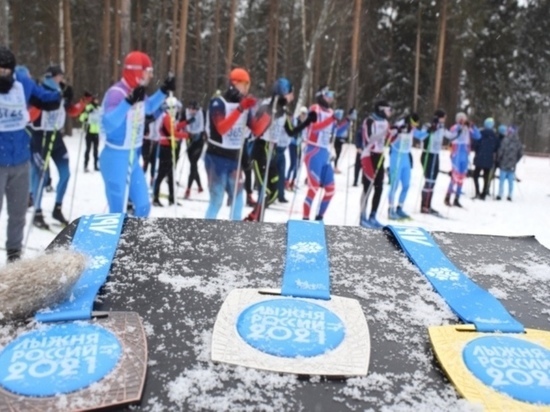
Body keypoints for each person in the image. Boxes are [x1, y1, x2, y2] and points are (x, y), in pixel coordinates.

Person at [0, 47, 62, 261]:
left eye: (6, 71)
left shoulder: (22, 84)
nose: (3, 76)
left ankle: (14, 255)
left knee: (17, 213)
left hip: (20, 162)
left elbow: (45, 98)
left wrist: (60, 96)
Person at [99, 50, 175, 217]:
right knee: (117, 214)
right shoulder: (116, 93)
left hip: (132, 159)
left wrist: (163, 90)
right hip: (115, 158)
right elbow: (109, 123)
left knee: (143, 207)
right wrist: (128, 102)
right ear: (136, 71)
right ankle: (115, 242)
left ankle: (133, 240)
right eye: (148, 71)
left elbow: (148, 108)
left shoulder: (137, 91)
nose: (150, 75)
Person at [30, 64, 87, 229]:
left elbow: (72, 111)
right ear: (51, 77)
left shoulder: (62, 91)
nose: (62, 80)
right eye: (59, 77)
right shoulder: (39, 90)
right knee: (40, 176)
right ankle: (37, 211)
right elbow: (31, 112)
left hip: (57, 138)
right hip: (41, 136)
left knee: (66, 173)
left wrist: (83, 102)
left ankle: (57, 208)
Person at [204, 67, 264, 220]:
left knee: (238, 202)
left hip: (233, 160)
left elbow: (256, 130)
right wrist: (240, 108)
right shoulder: (218, 102)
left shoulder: (242, 105)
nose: (246, 89)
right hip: (216, 158)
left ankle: (234, 237)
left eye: (248, 85)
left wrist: (269, 113)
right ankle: (204, 234)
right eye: (244, 84)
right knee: (216, 201)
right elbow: (222, 128)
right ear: (234, 83)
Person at [245, 77, 294, 221]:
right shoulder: (267, 105)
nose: (292, 97)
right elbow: (255, 128)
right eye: (290, 93)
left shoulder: (283, 110)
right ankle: (255, 218)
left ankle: (256, 216)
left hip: (275, 150)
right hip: (260, 149)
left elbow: (290, 131)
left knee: (273, 190)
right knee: (264, 189)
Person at [296, 86, 337, 221]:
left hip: (325, 153)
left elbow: (338, 131)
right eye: (328, 94)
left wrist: (347, 120)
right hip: (313, 151)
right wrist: (331, 119)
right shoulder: (314, 109)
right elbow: (314, 128)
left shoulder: (331, 111)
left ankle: (319, 218)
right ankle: (305, 219)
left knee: (330, 190)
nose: (330, 97)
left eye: (332, 94)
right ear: (321, 95)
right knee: (313, 188)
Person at [387, 113, 428, 220]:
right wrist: (399, 131)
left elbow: (420, 135)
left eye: (416, 124)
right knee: (394, 185)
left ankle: (399, 208)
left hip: (406, 156)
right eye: (414, 124)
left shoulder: (412, 129)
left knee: (406, 185)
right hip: (396, 155)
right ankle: (390, 209)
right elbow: (390, 137)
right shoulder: (400, 124)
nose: (415, 126)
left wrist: (429, 131)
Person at [359, 100, 393, 228]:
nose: (389, 113)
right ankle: (362, 216)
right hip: (368, 155)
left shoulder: (385, 122)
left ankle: (373, 216)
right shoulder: (370, 120)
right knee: (368, 186)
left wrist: (393, 133)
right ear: (381, 109)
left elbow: (388, 139)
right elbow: (369, 138)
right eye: (388, 110)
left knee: (379, 187)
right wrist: (384, 133)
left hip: (379, 155)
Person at [153, 96, 189, 206]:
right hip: (166, 148)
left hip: (168, 147)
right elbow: (173, 132)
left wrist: (185, 123)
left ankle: (172, 198)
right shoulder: (166, 117)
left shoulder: (168, 117)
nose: (177, 110)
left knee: (170, 174)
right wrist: (186, 135)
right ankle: (156, 197)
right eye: (176, 108)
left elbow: (174, 127)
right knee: (162, 174)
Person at [420, 109, 456, 215]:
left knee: (433, 180)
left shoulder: (442, 127)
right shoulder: (427, 125)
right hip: (427, 154)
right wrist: (431, 129)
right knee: (429, 180)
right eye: (443, 117)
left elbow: (450, 136)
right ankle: (424, 206)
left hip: (436, 155)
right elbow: (422, 137)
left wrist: (460, 131)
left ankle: (428, 205)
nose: (445, 120)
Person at [444, 112, 480, 208]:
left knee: (462, 177)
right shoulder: (455, 127)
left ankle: (457, 198)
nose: (463, 120)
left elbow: (478, 136)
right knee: (455, 176)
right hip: (456, 154)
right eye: (461, 119)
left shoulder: (468, 129)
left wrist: (473, 126)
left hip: (465, 154)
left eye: (464, 118)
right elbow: (452, 135)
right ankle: (448, 196)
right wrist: (460, 126)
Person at [472, 117, 499, 200]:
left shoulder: (480, 133)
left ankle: (477, 191)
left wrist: (477, 151)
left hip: (480, 156)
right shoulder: (494, 136)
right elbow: (497, 147)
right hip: (489, 158)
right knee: (486, 176)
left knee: (476, 175)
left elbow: (475, 144)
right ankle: (484, 193)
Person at [184, 100, 205, 199]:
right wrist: (188, 133)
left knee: (193, 163)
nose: (192, 111)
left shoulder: (201, 114)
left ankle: (188, 188)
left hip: (199, 142)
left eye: (194, 109)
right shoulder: (186, 113)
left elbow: (201, 127)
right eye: (190, 109)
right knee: (193, 164)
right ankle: (200, 186)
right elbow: (184, 124)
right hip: (189, 140)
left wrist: (196, 134)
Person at [496, 125, 522, 201]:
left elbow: (501, 151)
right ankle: (510, 195)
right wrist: (515, 160)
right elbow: (520, 153)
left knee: (502, 180)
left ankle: (500, 194)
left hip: (504, 163)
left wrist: (499, 159)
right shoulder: (518, 142)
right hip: (512, 164)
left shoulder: (505, 140)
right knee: (511, 181)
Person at [285, 106, 307, 191]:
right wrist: (295, 138)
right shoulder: (295, 121)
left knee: (297, 165)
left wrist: (303, 139)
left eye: (305, 114)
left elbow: (303, 133)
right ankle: (287, 181)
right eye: (302, 114)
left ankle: (293, 182)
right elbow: (292, 131)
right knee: (293, 164)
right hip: (292, 144)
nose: (303, 116)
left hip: (298, 145)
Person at [79, 93, 101, 172]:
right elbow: (81, 118)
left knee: (96, 150)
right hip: (89, 132)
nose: (97, 101)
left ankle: (95, 165)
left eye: (97, 100)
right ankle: (85, 166)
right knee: (88, 149)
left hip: (96, 132)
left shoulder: (99, 109)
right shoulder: (88, 107)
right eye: (95, 99)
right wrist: (87, 114)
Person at [332, 109, 353, 173]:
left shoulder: (344, 120)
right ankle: (334, 166)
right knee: (337, 153)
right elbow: (339, 129)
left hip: (340, 139)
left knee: (338, 154)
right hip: (337, 139)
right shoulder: (338, 121)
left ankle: (335, 165)